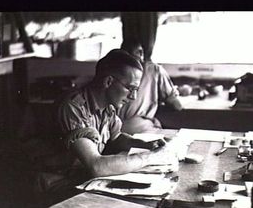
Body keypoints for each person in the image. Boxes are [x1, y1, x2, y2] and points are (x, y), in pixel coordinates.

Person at [57, 49, 178, 178]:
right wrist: (151, 157)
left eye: (136, 90)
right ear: (108, 82)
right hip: (58, 183)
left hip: (80, 178)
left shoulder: (108, 108)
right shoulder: (73, 107)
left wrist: (146, 144)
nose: (133, 97)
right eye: (131, 89)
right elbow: (96, 166)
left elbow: (116, 138)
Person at [118, 38, 183, 134]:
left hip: (114, 128)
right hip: (136, 127)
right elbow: (177, 106)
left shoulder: (114, 71)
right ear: (141, 53)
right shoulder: (154, 69)